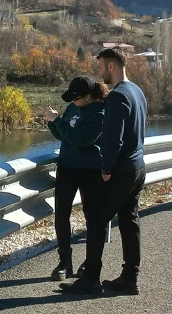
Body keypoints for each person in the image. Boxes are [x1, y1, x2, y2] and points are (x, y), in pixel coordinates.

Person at [61, 47, 148, 296]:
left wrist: (107, 168)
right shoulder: (137, 91)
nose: (100, 73)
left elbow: (113, 137)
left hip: (120, 169)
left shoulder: (118, 95)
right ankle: (130, 278)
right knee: (129, 220)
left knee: (97, 220)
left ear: (111, 66)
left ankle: (90, 279)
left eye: (101, 67)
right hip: (138, 166)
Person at [45, 75, 108, 280]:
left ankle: (90, 263)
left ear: (88, 96)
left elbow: (80, 139)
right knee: (61, 214)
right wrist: (52, 123)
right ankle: (65, 261)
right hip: (67, 168)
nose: (73, 102)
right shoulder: (73, 107)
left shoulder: (99, 113)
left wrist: (58, 121)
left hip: (90, 171)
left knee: (91, 217)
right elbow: (64, 135)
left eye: (76, 98)